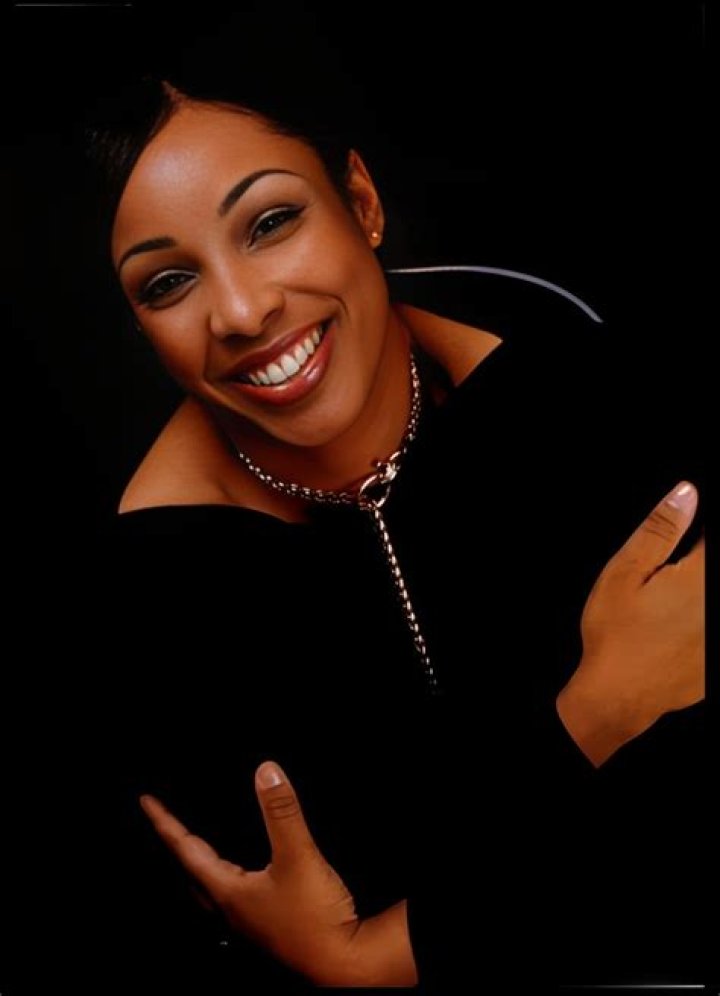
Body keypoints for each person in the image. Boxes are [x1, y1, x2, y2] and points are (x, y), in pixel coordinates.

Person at [8, 57, 703, 993]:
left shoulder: (580, 377)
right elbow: (406, 908)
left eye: (270, 223)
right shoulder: (149, 601)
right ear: (139, 326)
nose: (243, 311)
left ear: (362, 204)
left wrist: (376, 951)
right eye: (167, 282)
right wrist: (599, 713)